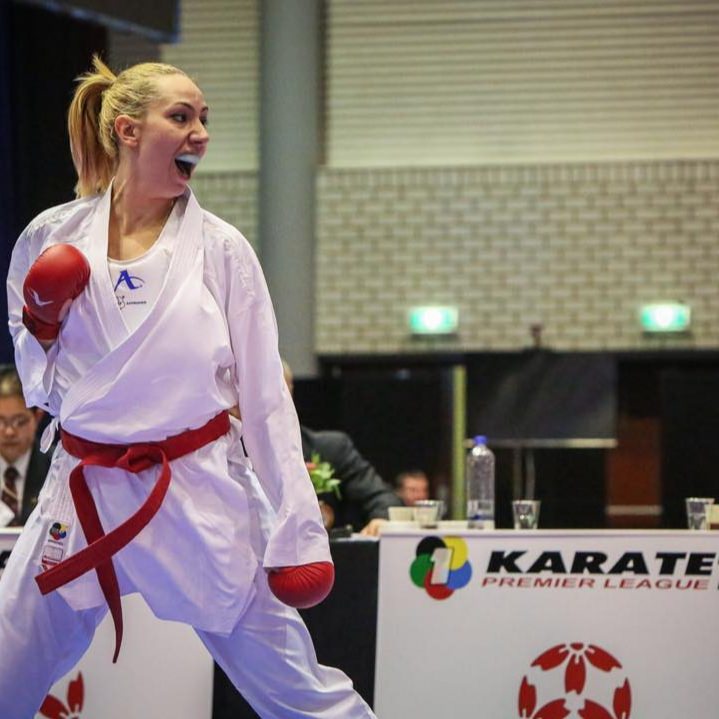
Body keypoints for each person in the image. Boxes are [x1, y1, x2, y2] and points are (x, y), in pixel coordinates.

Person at [0, 56, 375, 719]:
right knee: (5, 667)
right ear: (128, 130)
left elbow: (266, 399)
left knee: (298, 692)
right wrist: (43, 325)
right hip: (84, 487)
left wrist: (298, 532)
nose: (200, 132)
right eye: (181, 117)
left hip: (195, 489)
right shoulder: (51, 235)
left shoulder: (222, 250)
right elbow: (43, 389)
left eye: (204, 118)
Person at [282, 361, 403, 537]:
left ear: (290, 392)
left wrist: (381, 519)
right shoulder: (238, 455)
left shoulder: (330, 449)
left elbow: (382, 497)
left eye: (279, 391)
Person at [0, 364, 51, 527]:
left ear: (37, 417)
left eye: (19, 422)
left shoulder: (56, 469)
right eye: (0, 421)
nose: (9, 432)